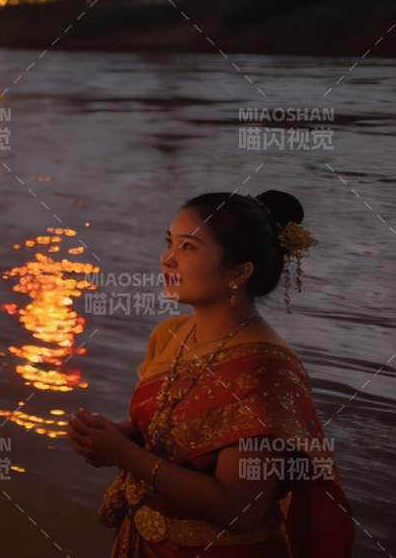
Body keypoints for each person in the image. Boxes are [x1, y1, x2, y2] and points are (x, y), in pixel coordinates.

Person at [68, 190, 354, 557]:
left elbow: (241, 508)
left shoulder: (263, 370)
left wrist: (124, 454)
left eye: (188, 247)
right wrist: (113, 435)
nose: (167, 259)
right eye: (169, 242)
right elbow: (166, 427)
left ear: (238, 272)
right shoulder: (170, 336)